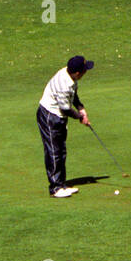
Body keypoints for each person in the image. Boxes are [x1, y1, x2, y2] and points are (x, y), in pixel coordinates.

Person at [36, 55, 92, 198]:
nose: (86, 72)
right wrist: (81, 118)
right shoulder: (64, 85)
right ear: (78, 73)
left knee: (61, 151)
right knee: (54, 151)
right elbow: (65, 108)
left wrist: (81, 108)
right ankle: (55, 188)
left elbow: (74, 96)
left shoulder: (70, 75)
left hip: (58, 116)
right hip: (49, 115)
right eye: (85, 70)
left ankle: (61, 184)